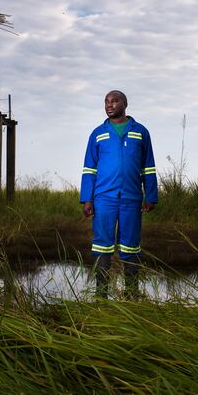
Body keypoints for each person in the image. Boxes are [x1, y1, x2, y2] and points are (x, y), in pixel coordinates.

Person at [79, 90, 158, 298]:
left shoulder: (140, 132)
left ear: (125, 104)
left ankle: (131, 293)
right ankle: (101, 294)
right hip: (104, 197)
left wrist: (150, 195)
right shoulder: (98, 133)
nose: (109, 105)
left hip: (131, 198)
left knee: (130, 246)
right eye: (106, 102)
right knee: (102, 244)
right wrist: (87, 198)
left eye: (114, 101)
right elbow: (89, 168)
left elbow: (148, 167)